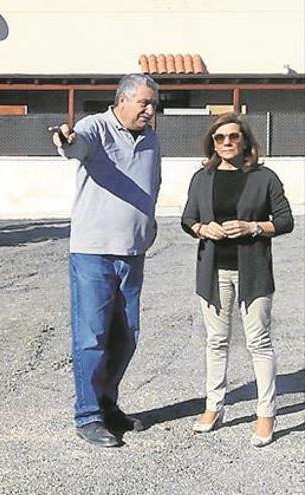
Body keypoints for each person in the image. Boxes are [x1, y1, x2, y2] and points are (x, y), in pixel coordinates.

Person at [51, 73, 161, 447]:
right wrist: (66, 140)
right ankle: (88, 416)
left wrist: (149, 222)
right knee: (91, 336)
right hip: (93, 251)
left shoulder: (151, 138)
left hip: (133, 252)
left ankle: (107, 404)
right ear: (122, 100)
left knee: (126, 335)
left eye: (153, 103)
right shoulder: (95, 127)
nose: (151, 109)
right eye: (144, 102)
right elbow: (74, 146)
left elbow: (152, 185)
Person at [181, 112, 293, 447]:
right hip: (213, 271)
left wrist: (253, 227)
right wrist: (202, 228)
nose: (227, 143)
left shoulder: (264, 177)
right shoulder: (202, 177)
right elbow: (187, 218)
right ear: (212, 143)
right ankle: (214, 407)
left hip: (253, 272)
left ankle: (266, 413)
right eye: (220, 138)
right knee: (216, 342)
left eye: (233, 136)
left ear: (245, 140)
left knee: (258, 342)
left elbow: (285, 221)